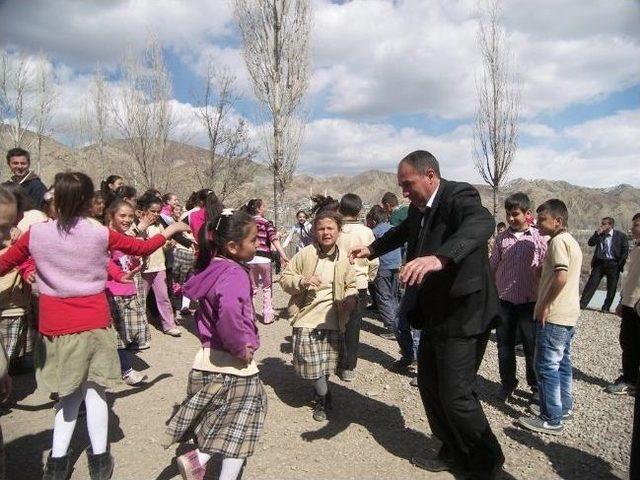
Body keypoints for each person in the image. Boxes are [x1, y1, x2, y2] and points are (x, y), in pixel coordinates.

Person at [0, 171, 189, 480]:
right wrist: (170, 231)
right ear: (89, 202)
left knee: (67, 396)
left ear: (56, 199)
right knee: (95, 392)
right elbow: (140, 249)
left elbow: (4, 264)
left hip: (55, 327)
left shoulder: (36, 235)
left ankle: (58, 462)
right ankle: (100, 459)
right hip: (94, 323)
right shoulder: (100, 234)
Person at [350, 150, 504, 478]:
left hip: (465, 312)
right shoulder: (419, 209)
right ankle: (451, 446)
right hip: (436, 311)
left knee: (456, 393)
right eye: (401, 186)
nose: (404, 192)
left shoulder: (458, 195)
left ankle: (487, 460)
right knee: (429, 384)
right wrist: (372, 250)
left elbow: (482, 222)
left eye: (408, 184)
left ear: (430, 175)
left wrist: (441, 257)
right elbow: (403, 231)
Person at [163, 209, 267, 480]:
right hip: (233, 363)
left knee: (226, 422)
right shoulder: (233, 273)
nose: (257, 244)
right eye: (253, 240)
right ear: (233, 246)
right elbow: (230, 312)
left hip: (209, 358)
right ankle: (199, 458)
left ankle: (204, 461)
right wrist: (240, 345)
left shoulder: (214, 269)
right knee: (242, 423)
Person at [281, 205, 357, 421]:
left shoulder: (344, 258)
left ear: (338, 230)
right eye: (321, 228)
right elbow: (285, 279)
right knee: (313, 367)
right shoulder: (305, 254)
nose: (326, 232)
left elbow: (351, 284)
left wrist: (351, 298)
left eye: (330, 228)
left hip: (333, 320)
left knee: (324, 366)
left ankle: (321, 393)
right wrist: (302, 281)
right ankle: (323, 398)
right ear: (315, 231)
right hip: (306, 319)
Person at [518, 199, 582, 435]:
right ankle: (563, 407)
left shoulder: (557, 242)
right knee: (562, 362)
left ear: (558, 221)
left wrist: (544, 304)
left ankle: (551, 417)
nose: (537, 222)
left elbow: (561, 277)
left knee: (545, 365)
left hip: (555, 314)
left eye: (542, 218)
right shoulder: (571, 241)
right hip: (569, 314)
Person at [489, 193, 547, 402]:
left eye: (515, 214)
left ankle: (535, 388)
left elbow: (545, 268)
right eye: (508, 214)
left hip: (529, 302)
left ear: (528, 214)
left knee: (532, 348)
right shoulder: (501, 239)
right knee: (504, 345)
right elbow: (492, 266)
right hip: (504, 301)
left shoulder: (539, 238)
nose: (511, 218)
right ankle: (507, 383)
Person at [105, 199, 150, 386]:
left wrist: (140, 262)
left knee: (126, 333)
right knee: (119, 334)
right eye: (122, 215)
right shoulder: (107, 238)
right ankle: (126, 370)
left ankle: (119, 366)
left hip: (128, 289)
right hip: (113, 291)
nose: (127, 219)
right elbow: (103, 263)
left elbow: (130, 262)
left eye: (131, 216)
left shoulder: (129, 238)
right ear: (112, 216)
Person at [336, 193, 378, 381]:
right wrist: (369, 278)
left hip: (336, 282)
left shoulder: (335, 230)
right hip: (359, 284)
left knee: (335, 322)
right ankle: (348, 367)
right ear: (359, 210)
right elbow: (374, 260)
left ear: (340, 209)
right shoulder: (366, 232)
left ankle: (332, 359)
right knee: (353, 326)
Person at [132, 193, 181, 337]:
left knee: (163, 297)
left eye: (158, 212)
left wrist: (168, 245)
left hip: (159, 266)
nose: (155, 214)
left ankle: (169, 325)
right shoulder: (137, 225)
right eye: (152, 211)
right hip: (143, 268)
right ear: (144, 210)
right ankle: (137, 328)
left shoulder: (159, 224)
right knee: (140, 299)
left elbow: (163, 241)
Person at [607, 213, 640, 396]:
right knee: (628, 342)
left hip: (637, 305)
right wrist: (621, 301)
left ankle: (631, 380)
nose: (632, 228)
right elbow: (629, 279)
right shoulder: (636, 248)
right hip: (629, 302)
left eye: (636, 225)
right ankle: (630, 378)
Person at [244, 199, 289, 325]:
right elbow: (274, 239)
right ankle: (268, 315)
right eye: (264, 206)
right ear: (258, 209)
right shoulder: (266, 223)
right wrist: (283, 255)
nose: (266, 208)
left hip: (250, 259)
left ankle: (250, 316)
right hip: (264, 258)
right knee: (267, 288)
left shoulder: (247, 223)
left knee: (252, 289)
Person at [366, 205, 401, 340]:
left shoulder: (374, 232)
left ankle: (392, 327)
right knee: (392, 296)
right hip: (396, 266)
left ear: (373, 221)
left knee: (383, 296)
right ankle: (398, 324)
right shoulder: (392, 228)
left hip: (384, 267)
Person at [580, 217, 629, 312]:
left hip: (613, 263)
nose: (601, 225)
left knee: (611, 287)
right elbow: (590, 243)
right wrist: (597, 233)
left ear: (610, 225)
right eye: (601, 223)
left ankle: (606, 307)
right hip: (599, 262)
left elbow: (625, 250)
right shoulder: (600, 235)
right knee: (591, 283)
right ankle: (582, 304)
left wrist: (619, 264)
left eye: (604, 224)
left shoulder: (620, 236)